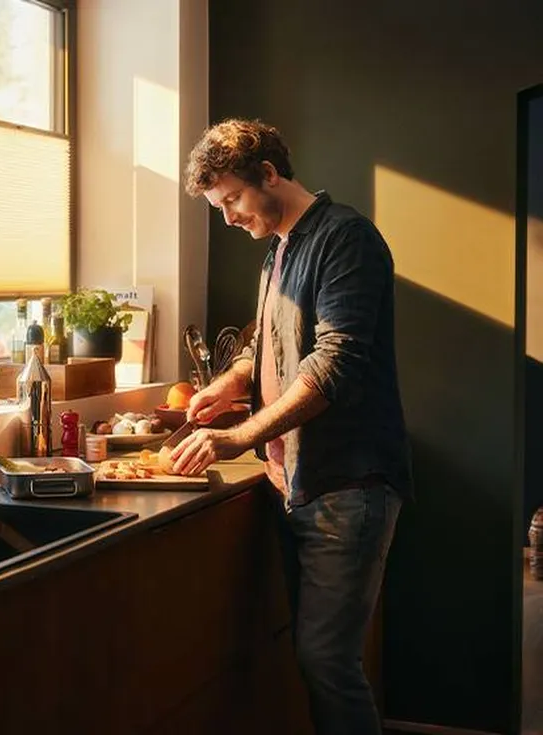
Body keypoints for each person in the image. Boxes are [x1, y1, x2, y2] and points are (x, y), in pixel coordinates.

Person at [173, 118, 412, 735]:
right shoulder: (281, 248)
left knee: (328, 661)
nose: (227, 218)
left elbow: (336, 363)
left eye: (231, 200)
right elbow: (276, 347)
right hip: (297, 483)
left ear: (269, 175)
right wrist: (233, 382)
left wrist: (240, 436)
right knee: (315, 658)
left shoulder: (346, 239)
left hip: (348, 485)